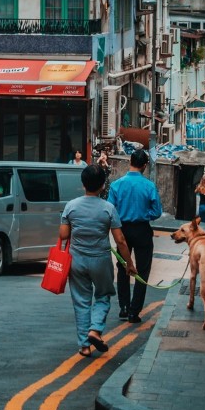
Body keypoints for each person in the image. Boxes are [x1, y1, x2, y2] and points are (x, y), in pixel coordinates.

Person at [59, 164, 135, 359]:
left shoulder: (71, 206)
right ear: (103, 186)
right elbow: (120, 240)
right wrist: (129, 264)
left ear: (83, 184)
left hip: (77, 260)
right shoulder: (108, 208)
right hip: (100, 260)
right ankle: (95, 329)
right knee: (103, 295)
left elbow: (64, 234)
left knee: (81, 301)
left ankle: (84, 346)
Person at [107, 149, 163, 323]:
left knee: (123, 266)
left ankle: (123, 307)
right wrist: (145, 214)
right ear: (145, 166)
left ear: (130, 162)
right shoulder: (149, 186)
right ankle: (134, 311)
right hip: (142, 229)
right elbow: (157, 212)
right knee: (142, 270)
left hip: (121, 229)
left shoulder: (116, 185)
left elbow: (110, 210)